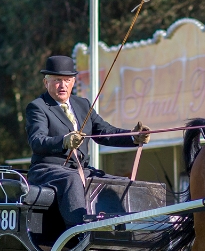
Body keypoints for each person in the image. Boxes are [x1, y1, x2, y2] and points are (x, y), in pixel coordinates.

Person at [25, 55, 150, 227]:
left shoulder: (82, 104)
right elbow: (37, 141)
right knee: (72, 179)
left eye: (67, 80)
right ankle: (79, 231)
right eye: (57, 80)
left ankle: (128, 230)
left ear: (73, 82)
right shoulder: (38, 107)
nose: (63, 85)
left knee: (118, 182)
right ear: (46, 83)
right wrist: (64, 141)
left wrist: (133, 137)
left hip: (80, 170)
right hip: (48, 170)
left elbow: (105, 132)